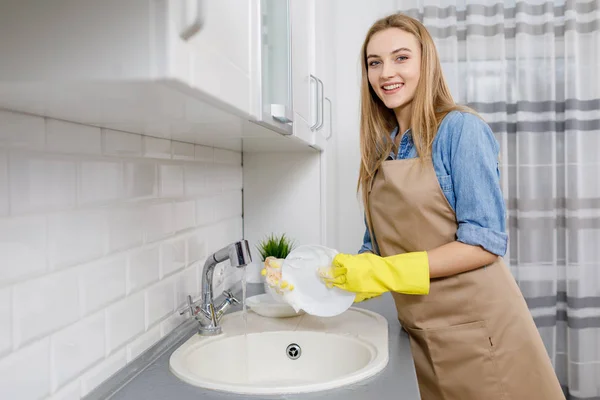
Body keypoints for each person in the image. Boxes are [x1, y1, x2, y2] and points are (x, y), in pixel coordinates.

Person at [316, 12, 566, 400]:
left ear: (425, 62)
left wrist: (387, 271)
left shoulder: (459, 130)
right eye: (374, 62)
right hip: (422, 334)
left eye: (401, 58)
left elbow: (485, 242)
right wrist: (322, 281)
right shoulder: (380, 151)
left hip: (482, 332)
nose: (386, 73)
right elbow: (376, 250)